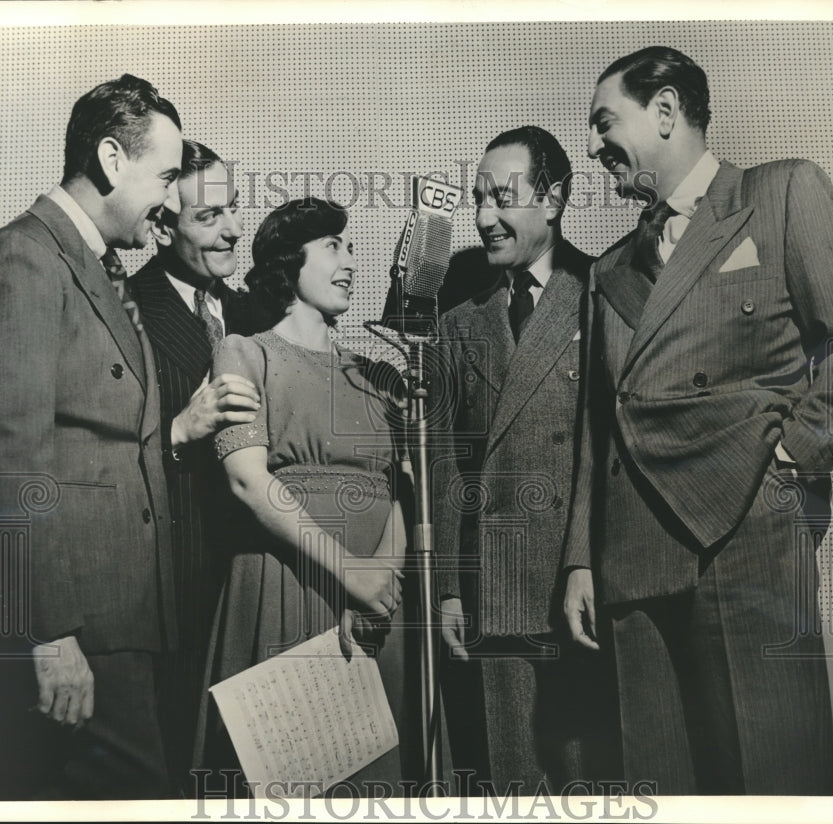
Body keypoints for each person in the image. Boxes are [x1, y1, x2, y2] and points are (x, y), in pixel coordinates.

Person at [580, 46, 833, 793]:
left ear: (667, 110)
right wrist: (580, 562)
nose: (593, 146)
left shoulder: (781, 194)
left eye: (603, 121)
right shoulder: (607, 270)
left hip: (748, 543)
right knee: (661, 785)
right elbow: (597, 428)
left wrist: (784, 465)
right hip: (635, 555)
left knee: (771, 781)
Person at [0, 74, 184, 798]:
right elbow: (7, 461)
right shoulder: (22, 259)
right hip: (77, 623)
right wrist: (50, 636)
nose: (172, 200)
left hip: (123, 619)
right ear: (112, 160)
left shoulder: (95, 268)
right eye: (167, 176)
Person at [193, 198, 419, 794]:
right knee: (293, 784)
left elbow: (406, 490)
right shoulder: (245, 352)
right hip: (288, 587)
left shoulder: (377, 373)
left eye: (349, 248)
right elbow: (247, 480)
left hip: (379, 606)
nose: (351, 261)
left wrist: (380, 585)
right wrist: (354, 576)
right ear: (290, 262)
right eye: (334, 247)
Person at [433, 126, 621, 795]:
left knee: (588, 783)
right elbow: (449, 466)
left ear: (554, 197)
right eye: (477, 198)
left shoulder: (605, 291)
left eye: (502, 197)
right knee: (509, 782)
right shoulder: (459, 320)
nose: (484, 217)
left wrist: (585, 563)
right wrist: (452, 587)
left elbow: (614, 454)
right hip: (495, 586)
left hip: (583, 586)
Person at [128, 139, 264, 794]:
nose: (234, 228)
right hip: (175, 604)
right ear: (161, 225)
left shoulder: (251, 314)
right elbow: (95, 471)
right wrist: (181, 429)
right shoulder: (123, 314)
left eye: (233, 208)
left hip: (256, 595)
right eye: (209, 216)